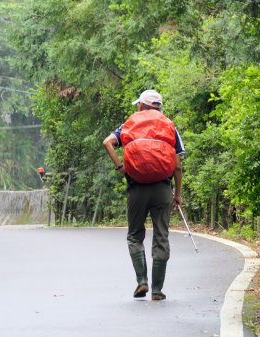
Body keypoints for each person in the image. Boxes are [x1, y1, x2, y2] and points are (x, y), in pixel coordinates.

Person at [102, 89, 184, 301]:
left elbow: (107, 142)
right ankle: (157, 290)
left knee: (135, 235)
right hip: (162, 188)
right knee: (161, 235)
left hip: (137, 186)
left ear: (141, 106)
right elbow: (177, 165)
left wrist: (120, 167)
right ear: (158, 107)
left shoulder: (130, 123)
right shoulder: (169, 125)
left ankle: (142, 282)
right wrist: (178, 194)